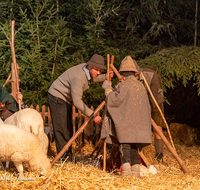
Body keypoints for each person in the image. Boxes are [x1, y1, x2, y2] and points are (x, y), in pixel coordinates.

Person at [48, 54, 114, 161]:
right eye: (97, 70)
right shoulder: (78, 77)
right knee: (61, 128)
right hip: (57, 97)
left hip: (65, 99)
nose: (98, 73)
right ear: (90, 66)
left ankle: (68, 156)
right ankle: (64, 159)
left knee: (68, 128)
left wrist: (105, 76)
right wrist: (93, 115)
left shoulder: (86, 70)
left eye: (100, 71)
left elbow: (92, 78)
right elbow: (77, 102)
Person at [101, 56, 152, 177]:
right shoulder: (141, 87)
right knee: (135, 148)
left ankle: (126, 173)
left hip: (127, 126)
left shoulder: (124, 86)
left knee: (124, 148)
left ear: (123, 73)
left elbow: (114, 100)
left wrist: (108, 89)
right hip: (139, 127)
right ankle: (135, 173)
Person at [133, 59, 165, 162]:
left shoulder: (151, 74)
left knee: (157, 128)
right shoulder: (128, 80)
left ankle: (159, 155)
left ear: (138, 72)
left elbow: (153, 96)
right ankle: (142, 155)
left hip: (156, 102)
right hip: (140, 104)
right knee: (141, 128)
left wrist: (147, 112)